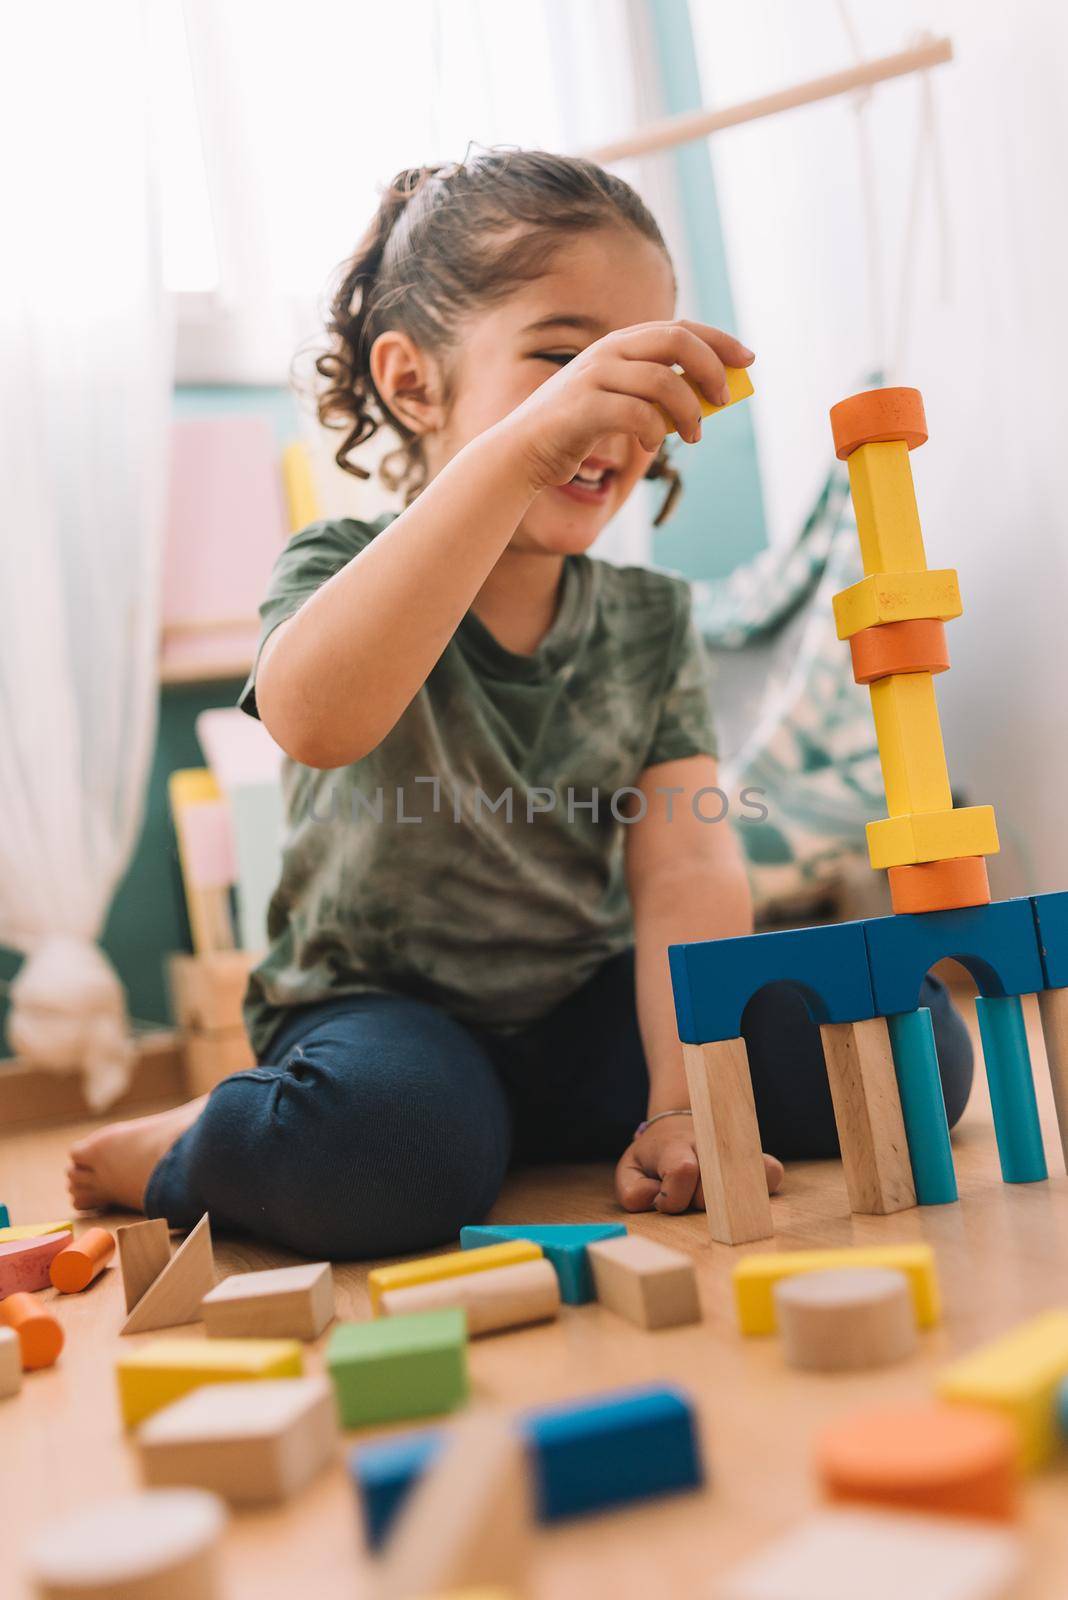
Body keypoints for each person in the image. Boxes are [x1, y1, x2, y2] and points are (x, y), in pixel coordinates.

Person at [68, 151, 972, 1257]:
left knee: (912, 1041)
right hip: (388, 1021)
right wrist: (523, 450)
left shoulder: (646, 617)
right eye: (563, 361)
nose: (611, 402)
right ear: (413, 383)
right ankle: (192, 1140)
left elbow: (683, 866)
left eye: (636, 366)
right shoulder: (344, 563)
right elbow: (315, 719)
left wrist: (684, 1098)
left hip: (588, 1011)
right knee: (382, 1156)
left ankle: (550, 1124)